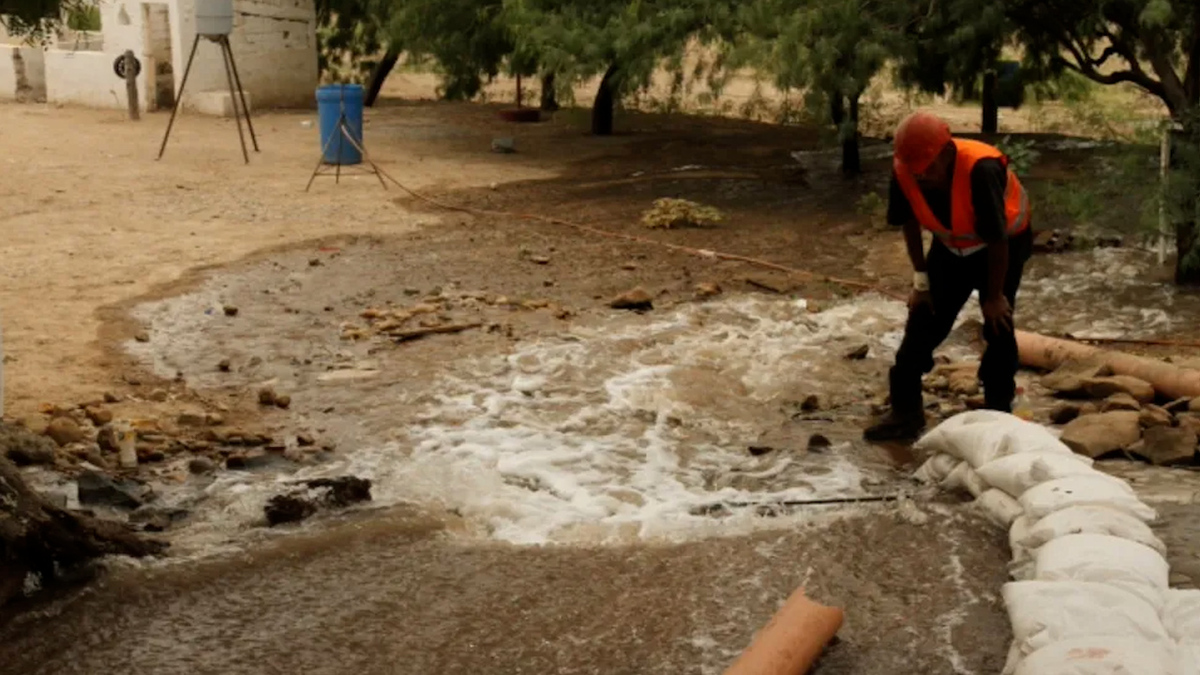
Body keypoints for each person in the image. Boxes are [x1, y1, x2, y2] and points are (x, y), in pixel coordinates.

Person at [864, 111, 1034, 442]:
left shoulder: (980, 169)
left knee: (998, 324)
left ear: (946, 151)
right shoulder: (904, 170)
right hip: (950, 247)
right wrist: (921, 283)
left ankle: (999, 409)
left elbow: (998, 238)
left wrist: (994, 296)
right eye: (916, 170)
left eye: (928, 168)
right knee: (922, 320)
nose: (922, 176)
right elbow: (910, 225)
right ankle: (906, 413)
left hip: (1002, 248)